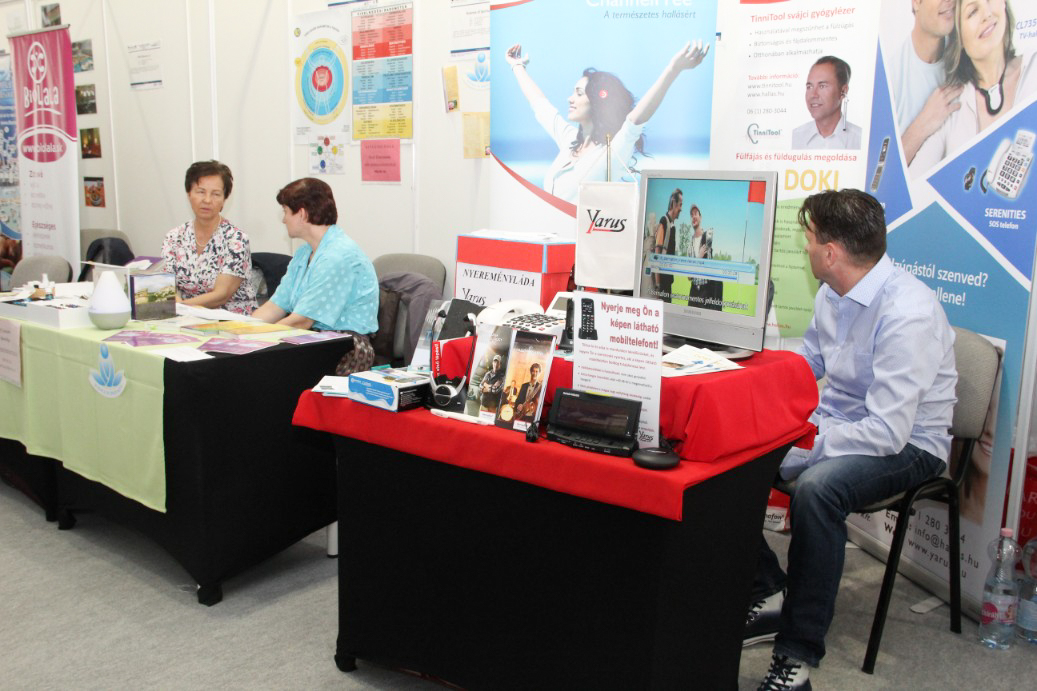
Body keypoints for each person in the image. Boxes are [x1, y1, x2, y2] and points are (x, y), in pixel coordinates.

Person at [746, 189, 957, 690]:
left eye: (809, 238)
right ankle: (770, 590)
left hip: (911, 444)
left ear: (831, 252)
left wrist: (805, 448)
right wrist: (750, 391)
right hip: (842, 423)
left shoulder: (908, 313)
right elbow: (809, 366)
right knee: (734, 456)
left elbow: (887, 431)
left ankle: (796, 657)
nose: (806, 246)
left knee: (819, 490)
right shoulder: (832, 293)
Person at [505, 40, 710, 203]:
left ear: (597, 102)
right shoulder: (570, 140)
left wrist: (673, 69)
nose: (570, 99)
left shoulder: (612, 151)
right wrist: (517, 66)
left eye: (578, 93)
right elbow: (540, 105)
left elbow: (635, 119)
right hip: (550, 240)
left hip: (583, 244)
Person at [911, 0, 1037, 172]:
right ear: (959, 36)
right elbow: (913, 182)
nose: (987, 14)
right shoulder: (950, 106)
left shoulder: (1033, 67)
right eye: (972, 12)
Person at [252, 178, 379, 348]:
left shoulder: (338, 256)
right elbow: (275, 306)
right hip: (313, 337)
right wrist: (243, 330)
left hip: (347, 344)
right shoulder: (304, 253)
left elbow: (302, 321)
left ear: (302, 214)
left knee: (262, 358)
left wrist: (256, 339)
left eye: (286, 212)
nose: (284, 219)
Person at [161, 160, 257, 315]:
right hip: (186, 318)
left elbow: (221, 295)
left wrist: (180, 307)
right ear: (189, 194)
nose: (207, 200)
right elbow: (166, 285)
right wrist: (177, 306)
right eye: (200, 192)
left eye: (216, 194)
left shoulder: (236, 239)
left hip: (230, 320)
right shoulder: (174, 237)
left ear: (224, 200)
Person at [890, 0, 963, 165]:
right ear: (916, 3)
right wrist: (924, 124)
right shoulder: (891, 75)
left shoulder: (964, 58)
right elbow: (882, 171)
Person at [790, 57, 862, 150]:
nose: (813, 95)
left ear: (843, 91)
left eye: (822, 86)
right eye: (809, 87)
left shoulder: (860, 140)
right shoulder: (795, 137)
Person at [686, 204, 723, 311]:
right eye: (691, 215)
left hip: (705, 291)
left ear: (700, 217)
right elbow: (689, 276)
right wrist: (698, 258)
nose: (693, 216)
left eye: (696, 214)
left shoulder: (707, 237)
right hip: (693, 291)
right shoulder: (689, 245)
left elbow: (708, 267)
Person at [652, 188, 682, 302]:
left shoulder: (672, 225)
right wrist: (658, 286)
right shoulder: (664, 221)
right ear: (673, 203)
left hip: (667, 282)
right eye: (680, 205)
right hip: (662, 285)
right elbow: (657, 254)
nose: (681, 209)